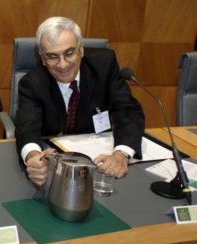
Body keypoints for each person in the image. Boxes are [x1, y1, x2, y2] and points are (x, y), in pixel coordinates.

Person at [15, 16, 144, 186]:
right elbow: (27, 125)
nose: (62, 65)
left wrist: (121, 154)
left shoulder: (104, 64)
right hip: (56, 166)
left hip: (99, 163)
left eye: (69, 53)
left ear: (81, 49)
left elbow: (127, 110)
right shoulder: (33, 83)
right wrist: (33, 156)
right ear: (42, 58)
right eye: (52, 56)